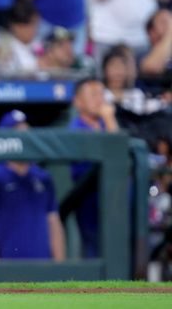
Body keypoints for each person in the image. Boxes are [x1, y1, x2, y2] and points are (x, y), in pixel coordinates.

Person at [0, 111, 66, 261]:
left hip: (44, 266)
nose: (25, 138)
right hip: (7, 266)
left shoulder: (43, 177)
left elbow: (53, 223)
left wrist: (59, 264)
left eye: (27, 133)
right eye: (18, 133)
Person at [67, 77, 119, 259]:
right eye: (92, 94)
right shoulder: (76, 129)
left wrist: (109, 121)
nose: (99, 99)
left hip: (117, 207)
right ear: (77, 102)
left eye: (101, 94)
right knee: (97, 259)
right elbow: (115, 155)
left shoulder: (106, 124)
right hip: (92, 208)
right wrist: (110, 119)